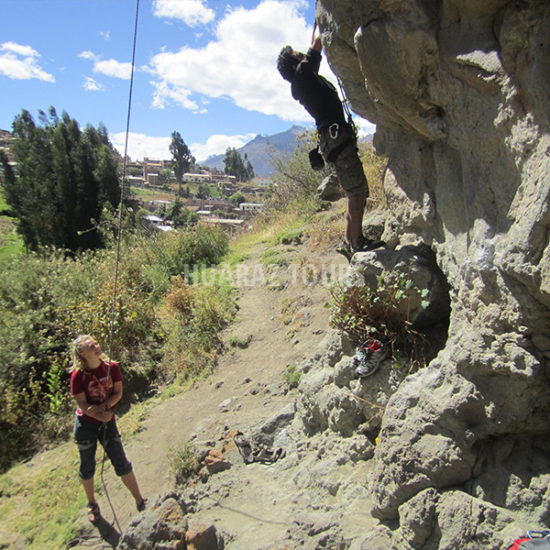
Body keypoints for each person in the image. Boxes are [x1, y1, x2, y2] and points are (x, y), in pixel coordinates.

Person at [277, 29, 383, 260]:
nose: (302, 56)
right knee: (358, 192)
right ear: (296, 63)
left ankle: (348, 241)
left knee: (356, 191)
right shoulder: (303, 77)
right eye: (298, 55)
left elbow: (311, 53)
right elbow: (316, 45)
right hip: (336, 139)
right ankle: (356, 242)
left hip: (333, 139)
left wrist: (315, 26)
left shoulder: (304, 80)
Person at [69, 334, 146, 523]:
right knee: (87, 467)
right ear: (82, 354)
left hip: (107, 422)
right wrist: (98, 414)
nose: (96, 346)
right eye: (90, 345)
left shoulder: (113, 367)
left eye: (96, 343)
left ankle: (140, 501)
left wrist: (106, 410)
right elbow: (82, 403)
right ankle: (92, 504)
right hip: (86, 425)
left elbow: (118, 392)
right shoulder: (78, 376)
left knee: (121, 461)